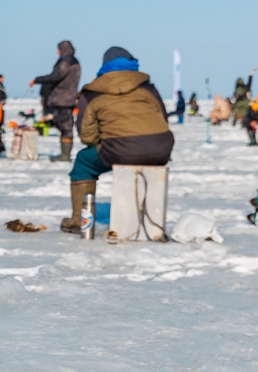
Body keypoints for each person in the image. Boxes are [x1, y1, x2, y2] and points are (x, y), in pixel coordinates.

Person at [61, 47, 174, 233]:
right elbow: (162, 118)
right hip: (160, 148)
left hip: (119, 149)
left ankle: (78, 221)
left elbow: (87, 136)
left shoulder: (93, 92)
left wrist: (108, 139)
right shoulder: (147, 87)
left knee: (83, 162)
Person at [29, 41, 81, 162]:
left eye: (58, 49)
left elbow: (54, 77)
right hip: (68, 98)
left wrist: (37, 80)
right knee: (64, 125)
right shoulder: (74, 61)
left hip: (63, 99)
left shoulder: (66, 63)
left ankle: (65, 156)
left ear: (63, 49)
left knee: (65, 126)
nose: (57, 52)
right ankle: (64, 154)